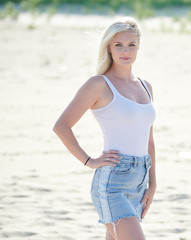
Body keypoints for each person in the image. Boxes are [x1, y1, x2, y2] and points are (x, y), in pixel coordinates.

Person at [53, 17, 156, 240]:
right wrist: (89, 161)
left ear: (139, 47)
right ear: (108, 47)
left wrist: (153, 184)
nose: (125, 51)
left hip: (140, 181)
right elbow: (61, 126)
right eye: (118, 45)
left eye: (131, 45)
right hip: (113, 184)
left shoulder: (146, 87)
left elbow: (149, 140)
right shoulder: (99, 84)